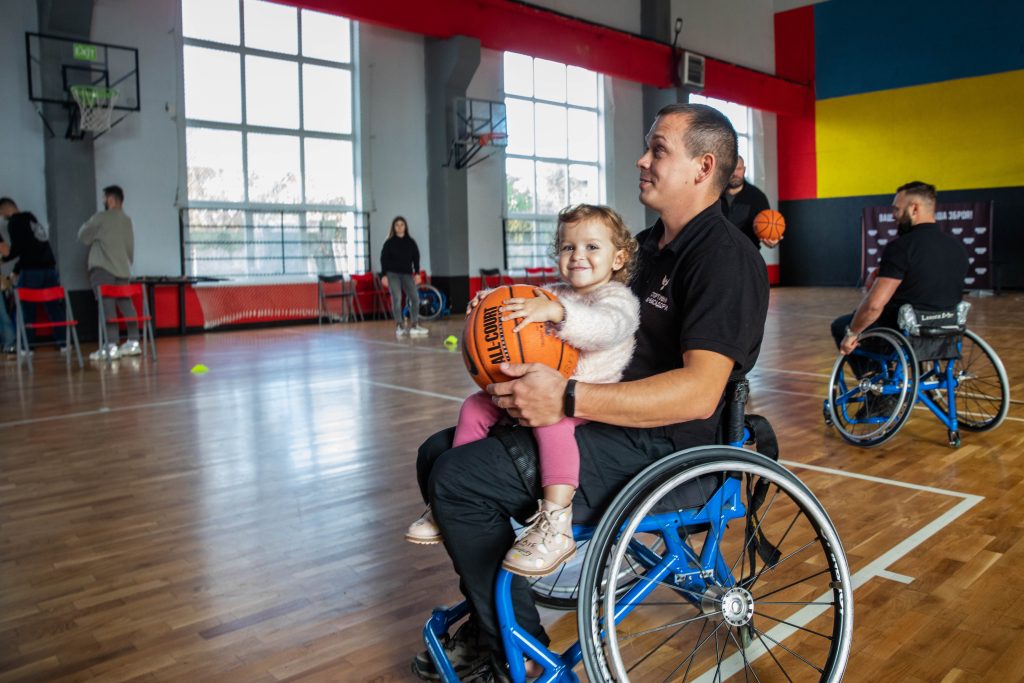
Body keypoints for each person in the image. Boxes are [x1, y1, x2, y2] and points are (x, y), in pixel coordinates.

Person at [409, 103, 769, 681]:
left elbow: (699, 393)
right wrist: (504, 311)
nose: (641, 159)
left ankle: (513, 655)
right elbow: (579, 312)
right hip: (607, 427)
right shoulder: (646, 249)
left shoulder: (727, 260)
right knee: (438, 453)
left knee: (459, 478)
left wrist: (566, 399)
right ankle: (501, 628)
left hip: (669, 449)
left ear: (703, 168)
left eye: (658, 150)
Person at [406, 204, 641, 578]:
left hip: (581, 401)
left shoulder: (617, 300)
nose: (578, 255)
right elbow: (519, 300)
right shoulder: (555, 293)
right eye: (568, 247)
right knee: (474, 406)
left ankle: (556, 521)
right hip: (535, 390)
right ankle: (447, 502)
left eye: (592, 247)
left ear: (619, 257)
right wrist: (489, 300)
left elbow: (607, 328)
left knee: (554, 428)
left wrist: (559, 314)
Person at [832, 181, 968, 381]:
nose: (894, 216)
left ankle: (875, 388)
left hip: (906, 332)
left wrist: (852, 333)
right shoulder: (956, 247)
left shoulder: (901, 248)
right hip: (947, 329)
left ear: (914, 209)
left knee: (841, 325)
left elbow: (873, 306)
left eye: (897, 209)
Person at [78, 185, 140, 360]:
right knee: (126, 304)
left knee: (107, 305)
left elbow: (83, 235)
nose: (104, 201)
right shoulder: (127, 220)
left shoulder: (101, 218)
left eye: (105, 198)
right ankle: (133, 342)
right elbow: (130, 247)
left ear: (111, 199)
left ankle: (111, 345)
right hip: (122, 268)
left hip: (103, 268)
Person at [0, 197, 66, 352]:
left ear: (5, 209)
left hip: (31, 272)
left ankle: (26, 347)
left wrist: (4, 260)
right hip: (49, 268)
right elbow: (31, 248)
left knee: (26, 309)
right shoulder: (31, 219)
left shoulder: (14, 222)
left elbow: (18, 249)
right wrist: (16, 269)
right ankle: (65, 343)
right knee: (54, 308)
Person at [380, 216, 428, 338]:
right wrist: (383, 275)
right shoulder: (389, 242)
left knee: (415, 298)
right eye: (397, 225)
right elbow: (383, 259)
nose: (400, 227)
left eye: (402, 224)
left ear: (405, 226)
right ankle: (399, 326)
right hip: (392, 274)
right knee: (397, 297)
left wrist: (417, 273)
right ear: (394, 227)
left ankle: (415, 325)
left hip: (407, 274)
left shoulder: (411, 242)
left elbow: (416, 258)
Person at [720, 155, 779, 249]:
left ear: (744, 169)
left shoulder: (757, 197)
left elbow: (768, 225)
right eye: (731, 169)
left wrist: (772, 240)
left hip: (747, 256)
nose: (735, 173)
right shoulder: (713, 196)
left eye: (739, 169)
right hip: (718, 255)